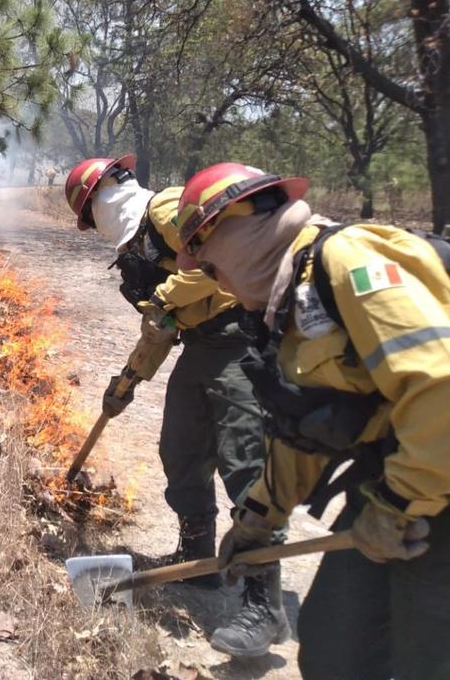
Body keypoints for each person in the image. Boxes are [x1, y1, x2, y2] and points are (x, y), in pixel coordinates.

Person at [177, 162, 450, 679]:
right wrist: (259, 518)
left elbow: (441, 385)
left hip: (430, 480)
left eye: (208, 261)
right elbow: (306, 428)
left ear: (236, 230)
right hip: (400, 479)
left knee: (427, 658)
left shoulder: (348, 259)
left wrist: (397, 506)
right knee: (332, 647)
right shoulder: (291, 303)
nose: (217, 282)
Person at [64, 156, 288, 656]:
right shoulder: (133, 254)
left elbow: (216, 267)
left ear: (101, 198)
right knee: (180, 447)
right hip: (201, 344)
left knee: (243, 461)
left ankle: (262, 601)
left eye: (91, 209)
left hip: (240, 339)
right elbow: (162, 329)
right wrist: (128, 381)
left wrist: (164, 296)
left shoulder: (166, 208)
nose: (96, 219)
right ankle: (197, 553)